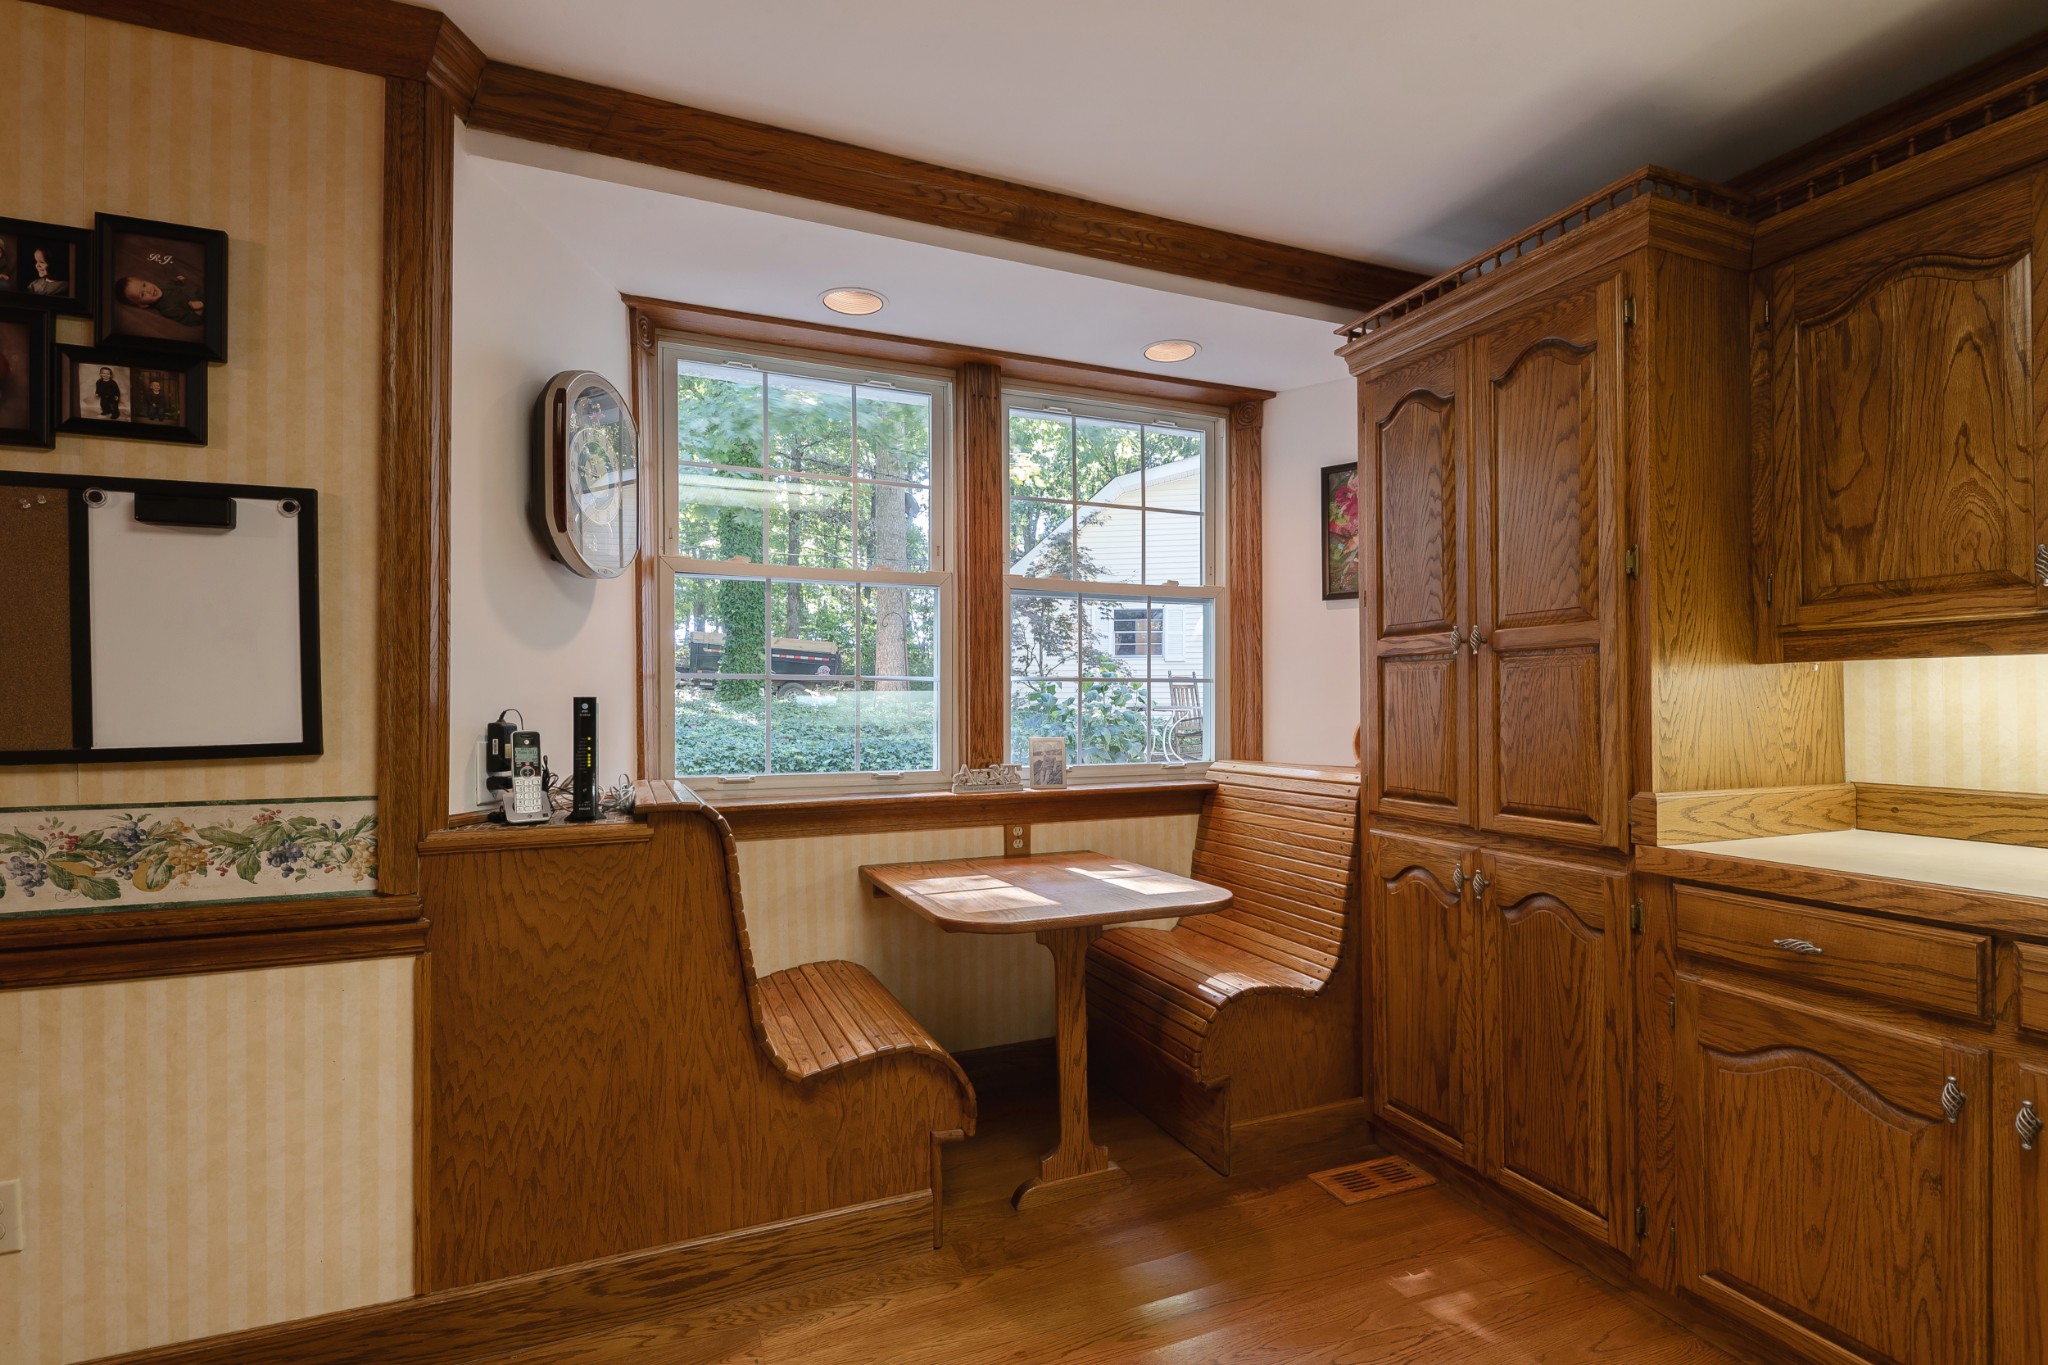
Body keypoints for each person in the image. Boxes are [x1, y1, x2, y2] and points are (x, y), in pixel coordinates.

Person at [116, 272, 204, 327]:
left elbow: (172, 283)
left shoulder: (164, 286)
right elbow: (189, 320)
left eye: (144, 285)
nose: (148, 290)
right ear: (143, 305)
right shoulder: (168, 309)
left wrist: (178, 280)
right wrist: (198, 311)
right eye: (142, 294)